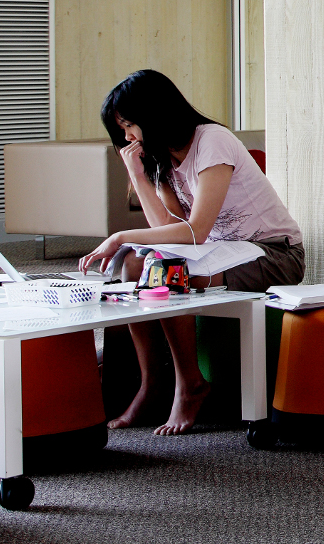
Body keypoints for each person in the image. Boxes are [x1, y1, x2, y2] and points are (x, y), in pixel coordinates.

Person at [77, 70, 306, 435]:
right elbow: (164, 232)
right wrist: (137, 174)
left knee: (166, 273)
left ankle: (189, 385)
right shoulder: (163, 154)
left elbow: (195, 230)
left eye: (130, 125)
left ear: (155, 113)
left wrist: (119, 234)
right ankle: (151, 383)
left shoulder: (211, 141)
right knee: (137, 263)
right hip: (221, 252)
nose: (128, 137)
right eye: (122, 130)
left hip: (274, 254)